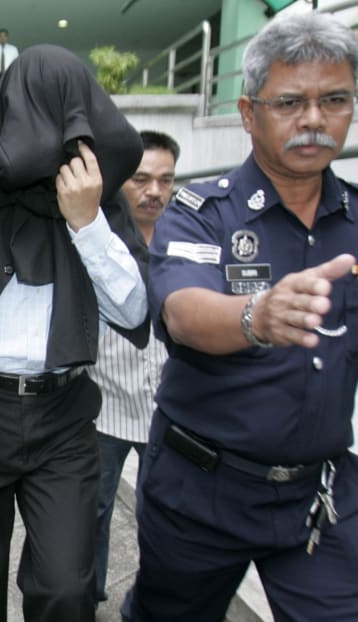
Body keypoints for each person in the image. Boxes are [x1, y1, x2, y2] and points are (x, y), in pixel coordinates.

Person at [128, 12, 358, 621]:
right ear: (249, 112)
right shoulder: (201, 212)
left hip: (320, 496)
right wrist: (257, 314)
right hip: (201, 494)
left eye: (333, 100)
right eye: (290, 102)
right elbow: (181, 311)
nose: (313, 119)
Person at [0, 44, 149, 622]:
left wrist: (87, 222)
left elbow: (134, 314)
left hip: (63, 417)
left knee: (65, 590)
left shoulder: (101, 203)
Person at [87, 130, 179, 606]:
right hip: (105, 406)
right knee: (95, 511)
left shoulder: (188, 239)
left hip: (168, 411)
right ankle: (91, 596)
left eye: (165, 180)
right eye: (141, 179)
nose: (154, 191)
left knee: (163, 516)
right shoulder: (99, 236)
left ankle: (150, 601)